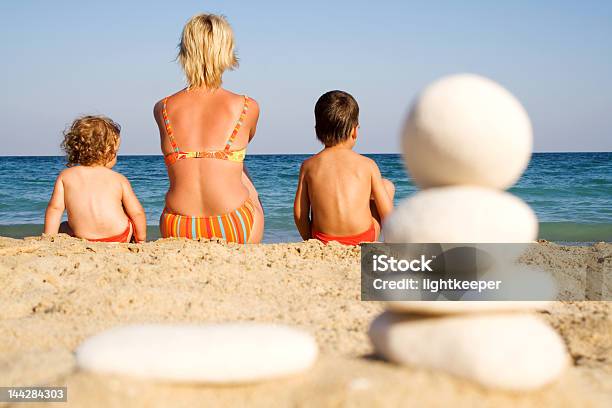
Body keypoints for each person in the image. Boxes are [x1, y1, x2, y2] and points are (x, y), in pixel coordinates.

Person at [155, 13, 264, 243]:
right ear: (225, 52)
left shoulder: (162, 108)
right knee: (245, 180)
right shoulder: (247, 107)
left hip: (178, 225)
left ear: (185, 52)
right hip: (232, 223)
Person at [294, 90, 395, 245]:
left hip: (323, 239)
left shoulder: (308, 166)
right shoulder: (368, 165)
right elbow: (387, 214)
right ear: (355, 131)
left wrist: (310, 240)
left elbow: (300, 213)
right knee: (387, 186)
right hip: (363, 238)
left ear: (317, 131)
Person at [44, 116, 147, 243]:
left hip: (84, 237)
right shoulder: (119, 179)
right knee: (128, 216)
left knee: (64, 226)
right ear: (108, 151)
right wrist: (141, 239)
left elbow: (55, 208)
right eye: (116, 151)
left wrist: (49, 237)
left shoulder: (66, 176)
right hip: (120, 236)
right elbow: (137, 213)